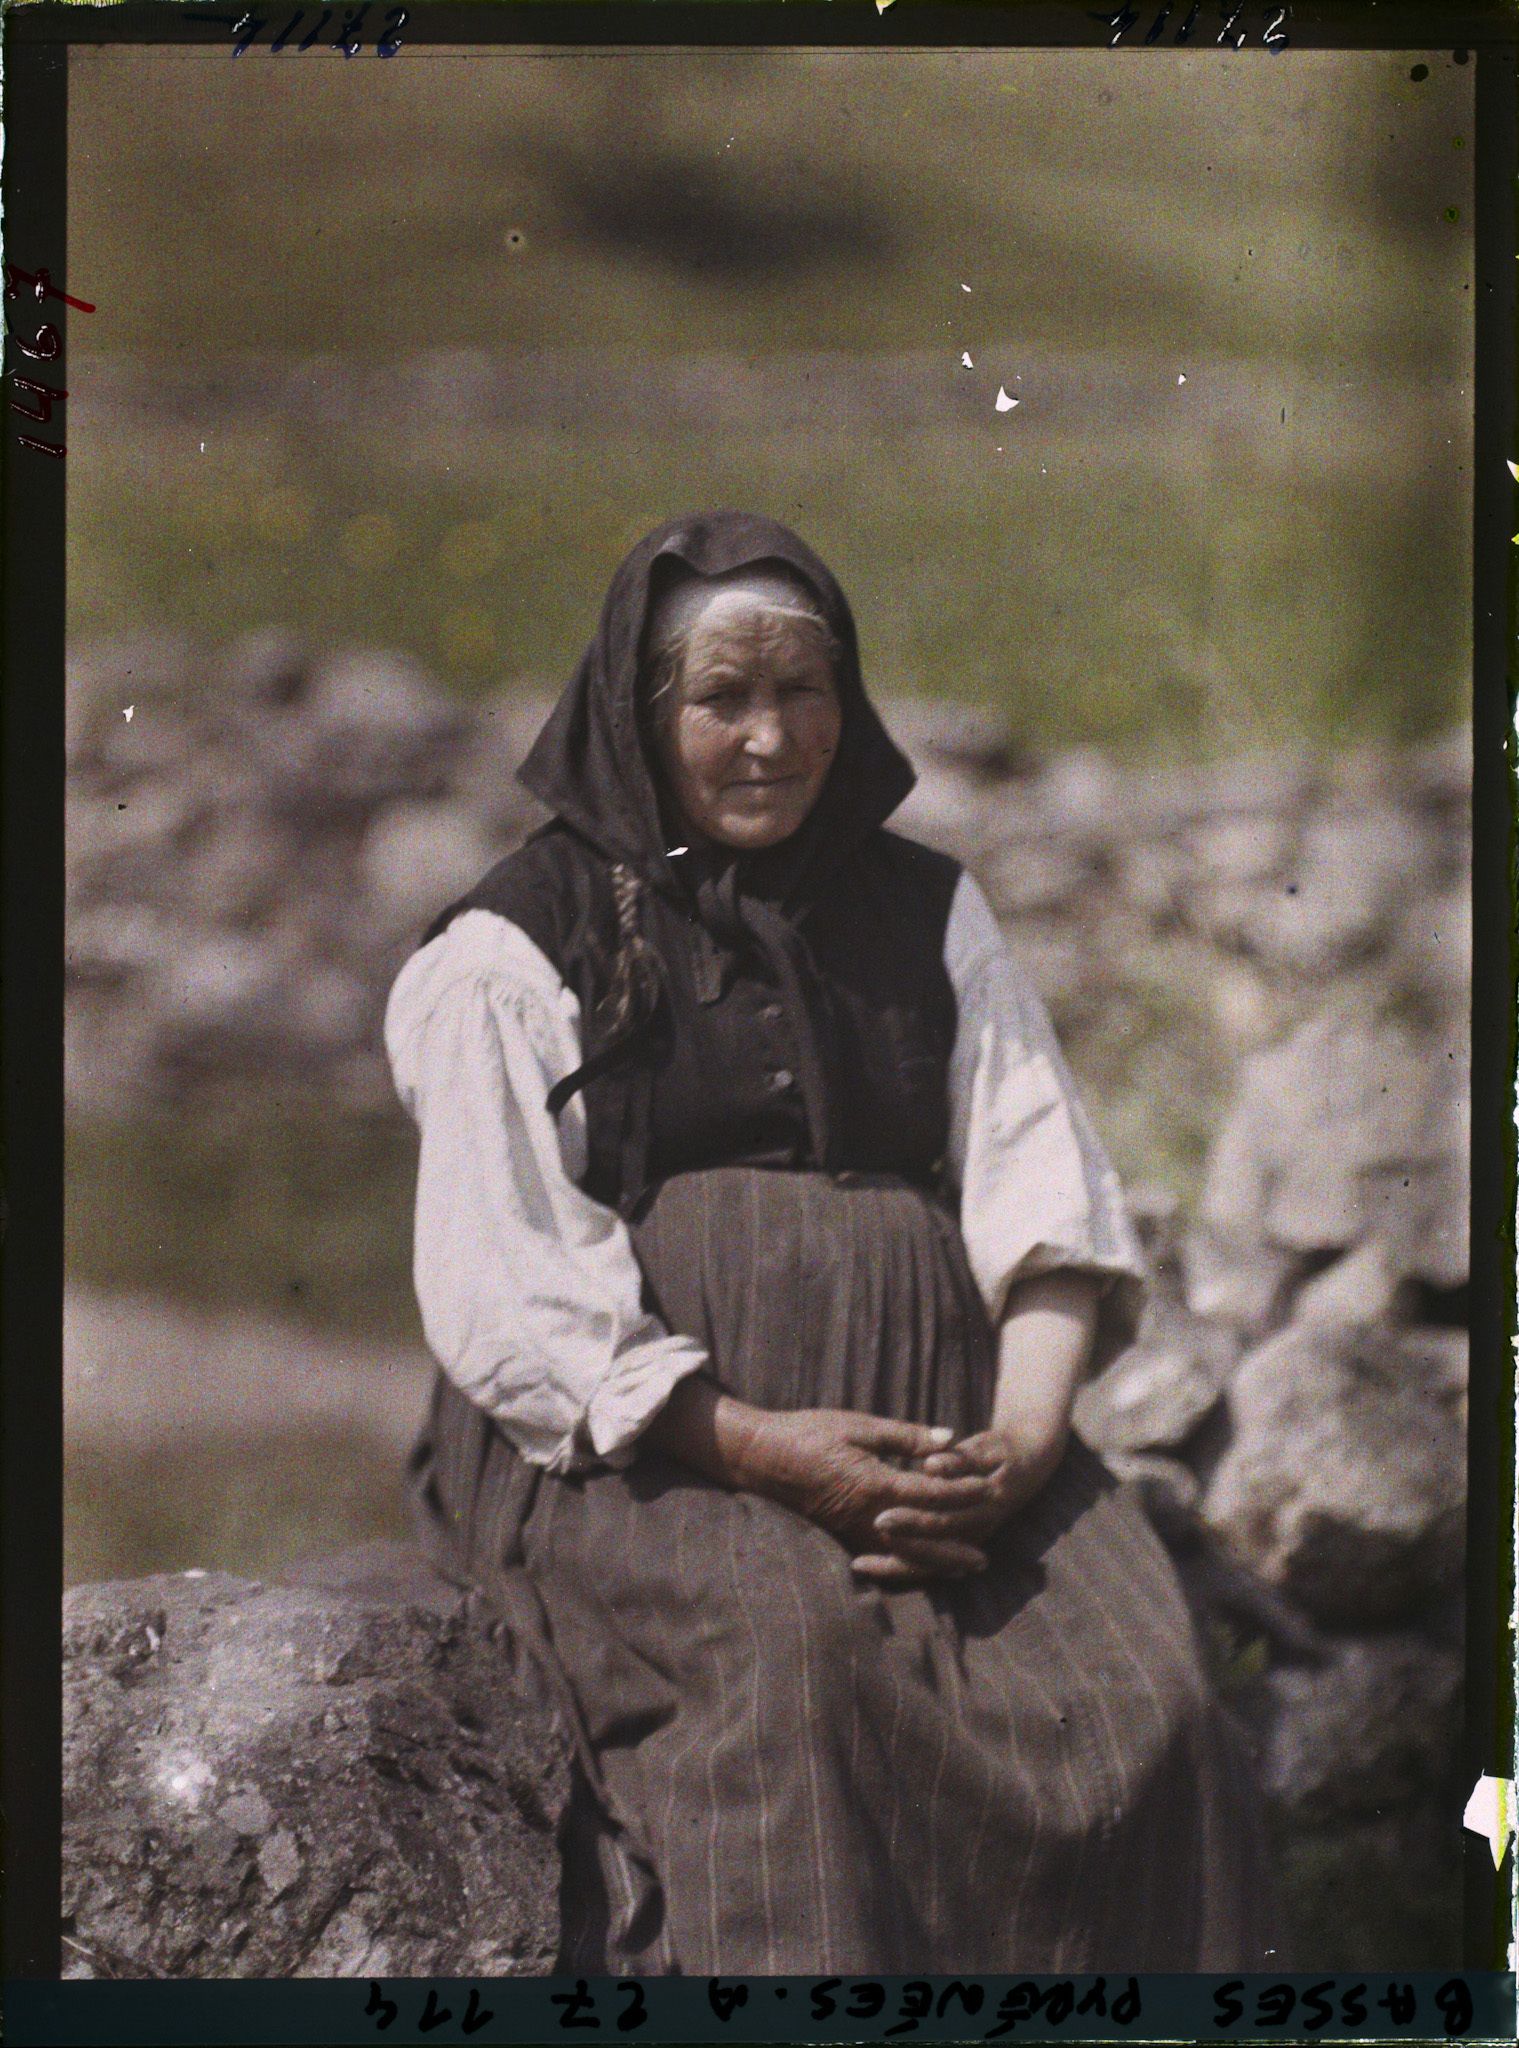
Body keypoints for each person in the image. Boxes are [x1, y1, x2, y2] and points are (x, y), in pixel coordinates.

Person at [384, 510, 1274, 1975]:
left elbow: (1040, 1190)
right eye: (721, 698)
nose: (770, 737)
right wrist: (762, 1448)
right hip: (643, 1455)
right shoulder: (513, 945)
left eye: (806, 691)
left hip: (950, 1442)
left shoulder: (927, 907)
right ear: (638, 711)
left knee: (1149, 1696)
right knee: (790, 1666)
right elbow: (509, 1278)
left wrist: (1024, 1448)